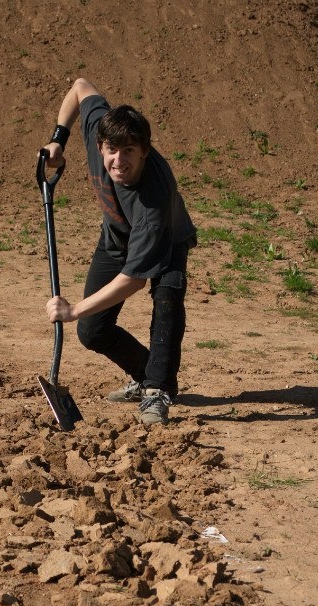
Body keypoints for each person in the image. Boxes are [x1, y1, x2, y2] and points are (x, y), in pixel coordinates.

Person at [42, 78, 196, 426]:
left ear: (144, 150)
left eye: (129, 151)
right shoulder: (102, 131)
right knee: (92, 331)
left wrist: (74, 308)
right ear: (100, 145)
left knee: (167, 300)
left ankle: (158, 390)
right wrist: (57, 140)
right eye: (112, 149)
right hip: (116, 237)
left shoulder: (152, 204)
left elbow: (133, 281)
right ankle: (147, 372)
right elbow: (81, 87)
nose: (118, 159)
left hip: (168, 239)